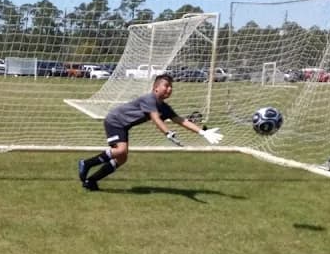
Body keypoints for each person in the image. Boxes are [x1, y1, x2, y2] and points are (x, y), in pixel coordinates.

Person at [78, 72, 222, 190]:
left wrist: (202, 133)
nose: (169, 89)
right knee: (121, 151)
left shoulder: (164, 107)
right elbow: (155, 118)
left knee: (122, 158)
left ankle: (91, 181)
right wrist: (167, 132)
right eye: (166, 86)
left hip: (124, 125)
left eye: (171, 87)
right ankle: (86, 163)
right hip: (115, 121)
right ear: (156, 88)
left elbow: (180, 120)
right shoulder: (149, 99)